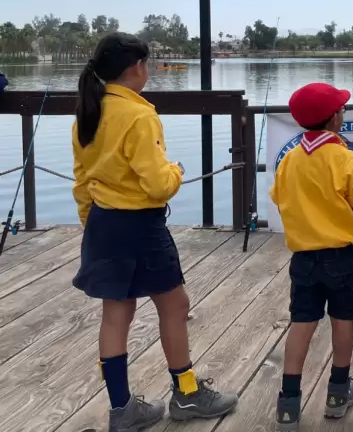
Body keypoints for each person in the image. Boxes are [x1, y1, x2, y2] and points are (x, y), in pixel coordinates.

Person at [71, 33, 238, 432]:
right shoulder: (139, 116)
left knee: (116, 313)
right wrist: (176, 169)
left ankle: (121, 409)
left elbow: (81, 180)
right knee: (175, 306)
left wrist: (89, 222)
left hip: (102, 224)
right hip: (140, 227)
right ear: (137, 68)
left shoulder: (88, 113)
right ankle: (187, 393)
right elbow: (158, 186)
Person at [270, 82, 353, 431]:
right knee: (342, 321)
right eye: (342, 109)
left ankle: (288, 403)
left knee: (301, 324)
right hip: (342, 257)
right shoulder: (346, 158)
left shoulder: (289, 159)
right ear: (333, 118)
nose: (343, 113)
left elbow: (279, 198)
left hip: (303, 258)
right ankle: (337, 393)